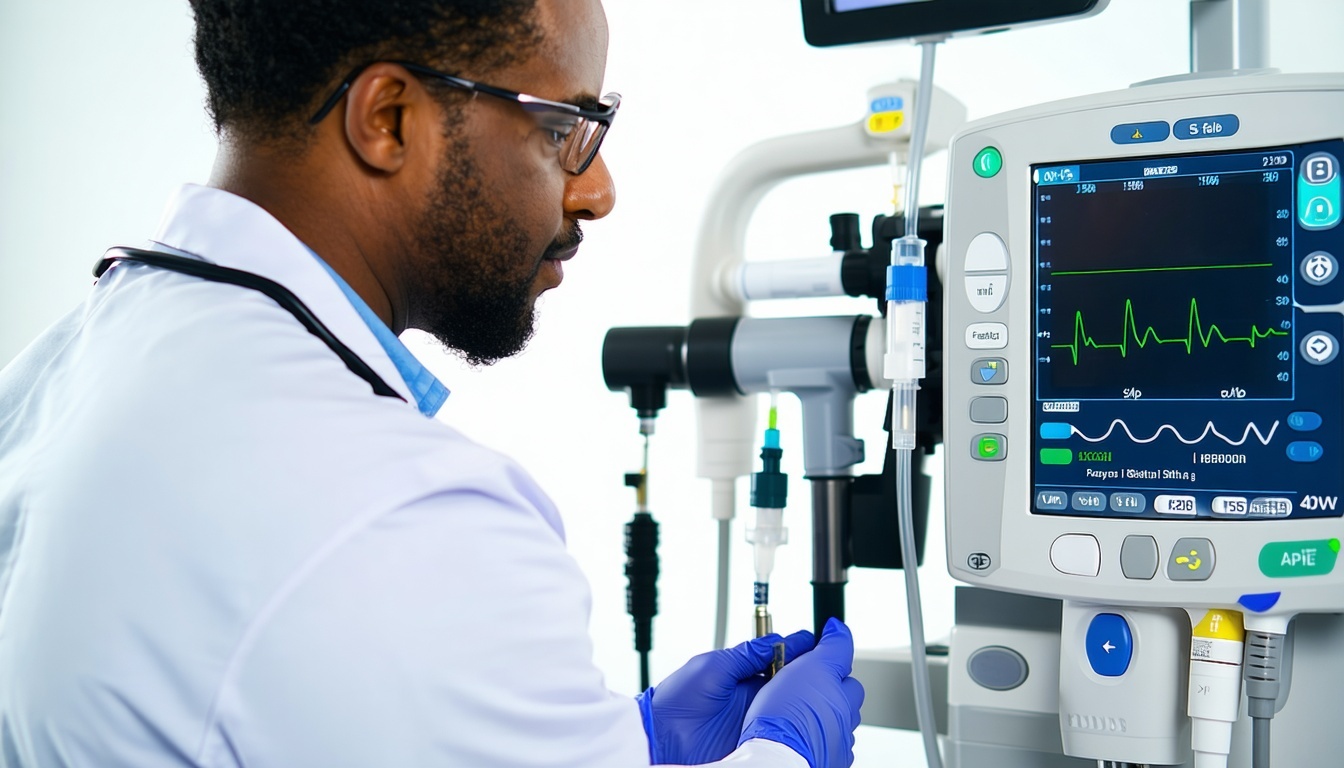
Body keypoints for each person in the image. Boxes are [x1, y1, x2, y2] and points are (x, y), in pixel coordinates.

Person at [0, 1, 864, 766]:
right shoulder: (401, 512)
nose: (597, 190)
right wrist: (784, 757)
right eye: (564, 127)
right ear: (389, 118)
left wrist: (613, 743)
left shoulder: (50, 378)